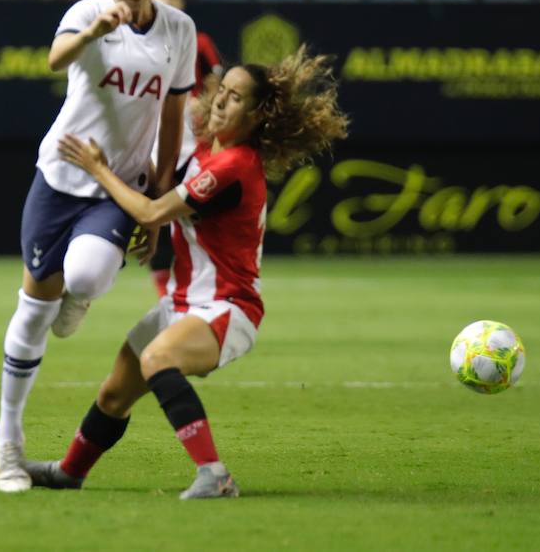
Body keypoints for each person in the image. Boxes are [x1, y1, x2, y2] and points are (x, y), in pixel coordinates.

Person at [21, 47, 348, 499]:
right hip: (181, 303)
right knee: (116, 392)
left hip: (227, 307)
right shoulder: (210, 150)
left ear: (256, 117)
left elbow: (153, 211)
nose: (220, 100)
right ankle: (70, 472)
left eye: (235, 98)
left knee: (157, 359)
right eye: (223, 90)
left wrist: (97, 168)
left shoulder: (233, 166)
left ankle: (215, 475)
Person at [0, 0, 198, 493]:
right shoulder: (87, 12)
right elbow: (56, 59)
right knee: (33, 310)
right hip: (60, 175)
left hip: (116, 184)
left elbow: (172, 115)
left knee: (85, 274)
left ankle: (78, 296)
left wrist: (158, 192)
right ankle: (9, 446)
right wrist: (93, 31)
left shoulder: (178, 30)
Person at [146, 0, 223, 295]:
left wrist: (216, 141)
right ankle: (166, 293)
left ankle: (204, 287)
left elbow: (217, 93)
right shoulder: (135, 41)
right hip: (149, 145)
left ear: (182, 2)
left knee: (196, 220)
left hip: (194, 148)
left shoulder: (199, 41)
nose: (165, 0)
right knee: (156, 222)